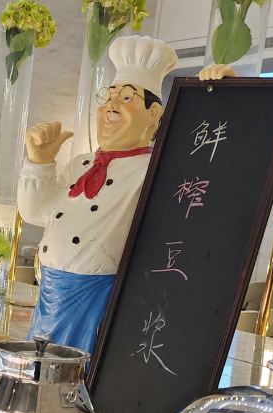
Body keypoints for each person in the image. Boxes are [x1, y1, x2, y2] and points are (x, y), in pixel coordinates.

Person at [17, 36, 178, 354]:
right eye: (109, 96)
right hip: (50, 293)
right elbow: (35, 212)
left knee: (77, 370)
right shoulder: (80, 164)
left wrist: (220, 93)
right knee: (41, 366)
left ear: (154, 114)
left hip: (98, 296)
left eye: (127, 97)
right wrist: (39, 162)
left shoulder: (155, 170)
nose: (112, 106)